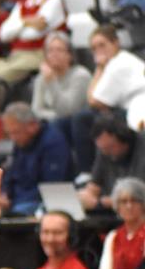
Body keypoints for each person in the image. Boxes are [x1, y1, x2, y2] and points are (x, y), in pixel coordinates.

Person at [61, 24, 145, 176]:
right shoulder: (123, 60)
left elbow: (94, 101)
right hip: (131, 108)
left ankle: (86, 172)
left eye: (102, 45)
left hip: (138, 110)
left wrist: (99, 68)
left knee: (83, 118)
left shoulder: (117, 64)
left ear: (115, 43)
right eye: (94, 48)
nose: (99, 51)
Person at [0, 102, 72, 215]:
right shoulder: (21, 142)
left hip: (40, 201)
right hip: (18, 200)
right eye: (9, 134)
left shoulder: (53, 143)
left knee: (18, 211)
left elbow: (51, 186)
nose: (12, 138)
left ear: (32, 126)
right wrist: (4, 194)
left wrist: (14, 202)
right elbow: (10, 174)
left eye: (16, 132)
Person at [0, 0, 67, 89]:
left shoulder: (54, 1)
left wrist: (17, 25)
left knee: (1, 75)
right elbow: (4, 34)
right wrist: (25, 22)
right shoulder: (23, 3)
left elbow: (34, 33)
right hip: (15, 56)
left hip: (38, 56)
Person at [78, 114, 145, 211]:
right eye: (102, 149)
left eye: (110, 147)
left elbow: (138, 196)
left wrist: (102, 203)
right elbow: (95, 184)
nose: (105, 152)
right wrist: (88, 195)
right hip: (111, 209)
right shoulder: (104, 151)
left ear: (124, 138)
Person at [31, 32, 92, 123]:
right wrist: (55, 116)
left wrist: (51, 81)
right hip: (49, 123)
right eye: (50, 50)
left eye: (59, 50)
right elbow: (36, 110)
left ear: (70, 55)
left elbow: (68, 111)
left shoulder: (81, 76)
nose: (54, 54)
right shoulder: (42, 77)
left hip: (73, 125)